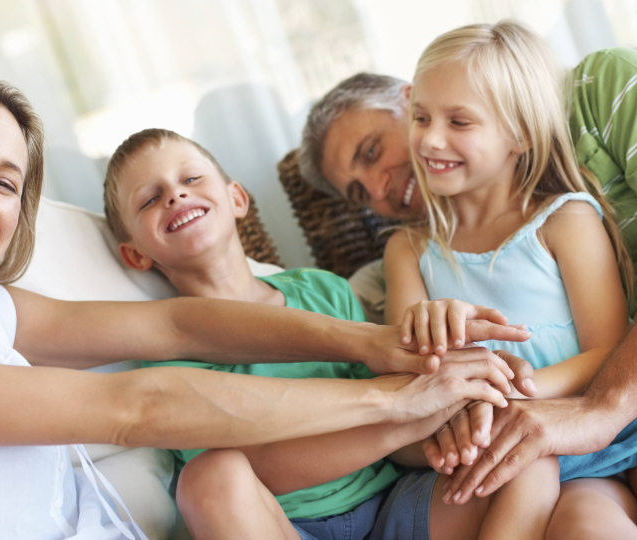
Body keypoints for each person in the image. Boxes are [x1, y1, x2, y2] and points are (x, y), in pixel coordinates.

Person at [0, 76, 525, 539]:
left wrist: (374, 344)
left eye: (4, 181)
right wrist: (397, 402)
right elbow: (139, 408)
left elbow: (177, 323)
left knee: (531, 463)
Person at [300, 24, 637, 535]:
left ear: (520, 135)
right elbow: (409, 381)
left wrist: (508, 397)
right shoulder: (406, 251)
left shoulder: (566, 218)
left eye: (457, 121)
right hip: (532, 453)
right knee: (590, 525)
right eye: (423, 120)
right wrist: (441, 364)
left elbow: (610, 347)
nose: (430, 138)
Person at [99, 127, 534, 540]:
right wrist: (405, 422)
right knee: (208, 477)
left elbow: (403, 434)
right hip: (286, 525)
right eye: (150, 199)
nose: (175, 195)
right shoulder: (167, 352)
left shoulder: (324, 291)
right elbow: (262, 471)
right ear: (135, 255)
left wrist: (462, 421)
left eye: (191, 178)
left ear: (236, 199)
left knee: (523, 451)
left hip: (394, 502)